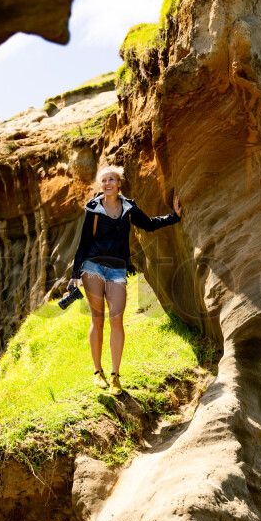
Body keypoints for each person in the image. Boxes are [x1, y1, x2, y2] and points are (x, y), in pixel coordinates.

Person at [68, 165, 183, 396]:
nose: (107, 184)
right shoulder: (93, 208)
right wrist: (74, 276)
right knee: (98, 318)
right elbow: (83, 242)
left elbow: (148, 224)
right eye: (104, 180)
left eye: (112, 179)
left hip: (117, 269)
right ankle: (97, 372)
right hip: (93, 265)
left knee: (117, 319)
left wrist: (174, 216)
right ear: (101, 185)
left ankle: (115, 376)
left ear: (119, 183)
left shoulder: (128, 207)